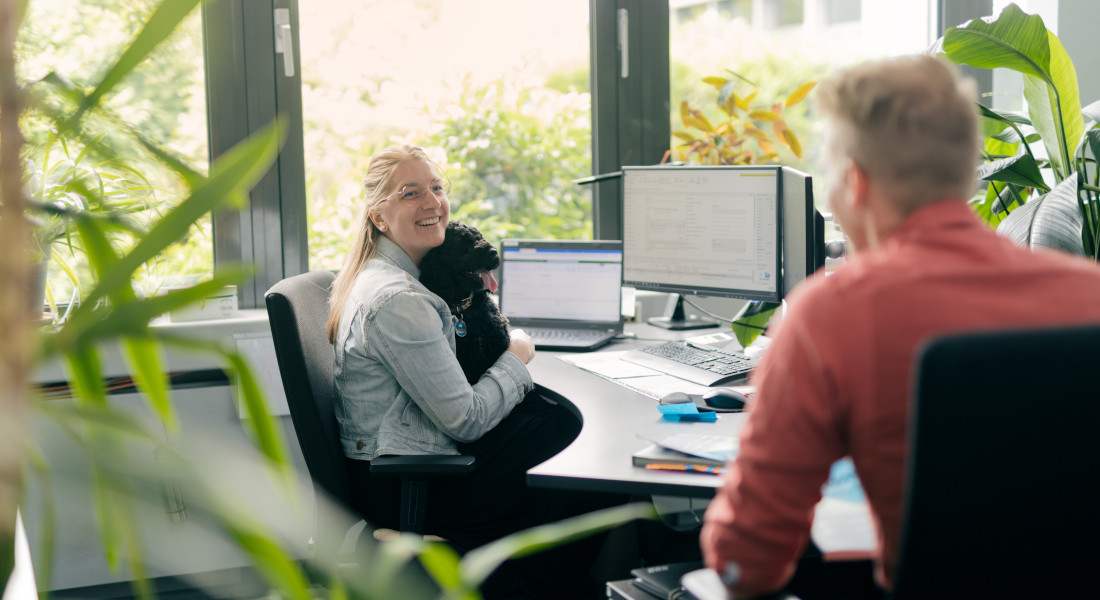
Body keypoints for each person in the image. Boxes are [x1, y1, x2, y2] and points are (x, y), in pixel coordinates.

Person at [700, 54, 1100, 599]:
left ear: (855, 184)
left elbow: (746, 559)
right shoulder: (1089, 294)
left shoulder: (829, 315)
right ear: (964, 171)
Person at [325, 144, 625, 598]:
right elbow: (465, 419)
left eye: (437, 188)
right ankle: (509, 577)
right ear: (379, 217)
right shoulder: (399, 299)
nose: (432, 203)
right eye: (410, 193)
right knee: (592, 465)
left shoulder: (400, 276)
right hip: (414, 481)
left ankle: (485, 559)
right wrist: (516, 356)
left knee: (556, 424)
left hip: (408, 460)